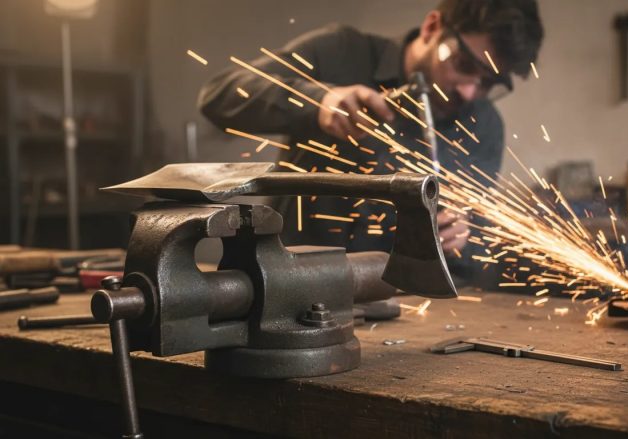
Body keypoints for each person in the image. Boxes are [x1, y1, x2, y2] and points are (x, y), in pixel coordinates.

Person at [199, 0, 544, 284]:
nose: (470, 90)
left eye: (488, 83)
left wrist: (459, 237)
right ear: (432, 27)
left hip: (404, 309)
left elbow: (478, 242)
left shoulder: (483, 124)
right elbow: (220, 94)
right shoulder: (342, 53)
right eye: (464, 64)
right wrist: (318, 100)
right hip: (293, 287)